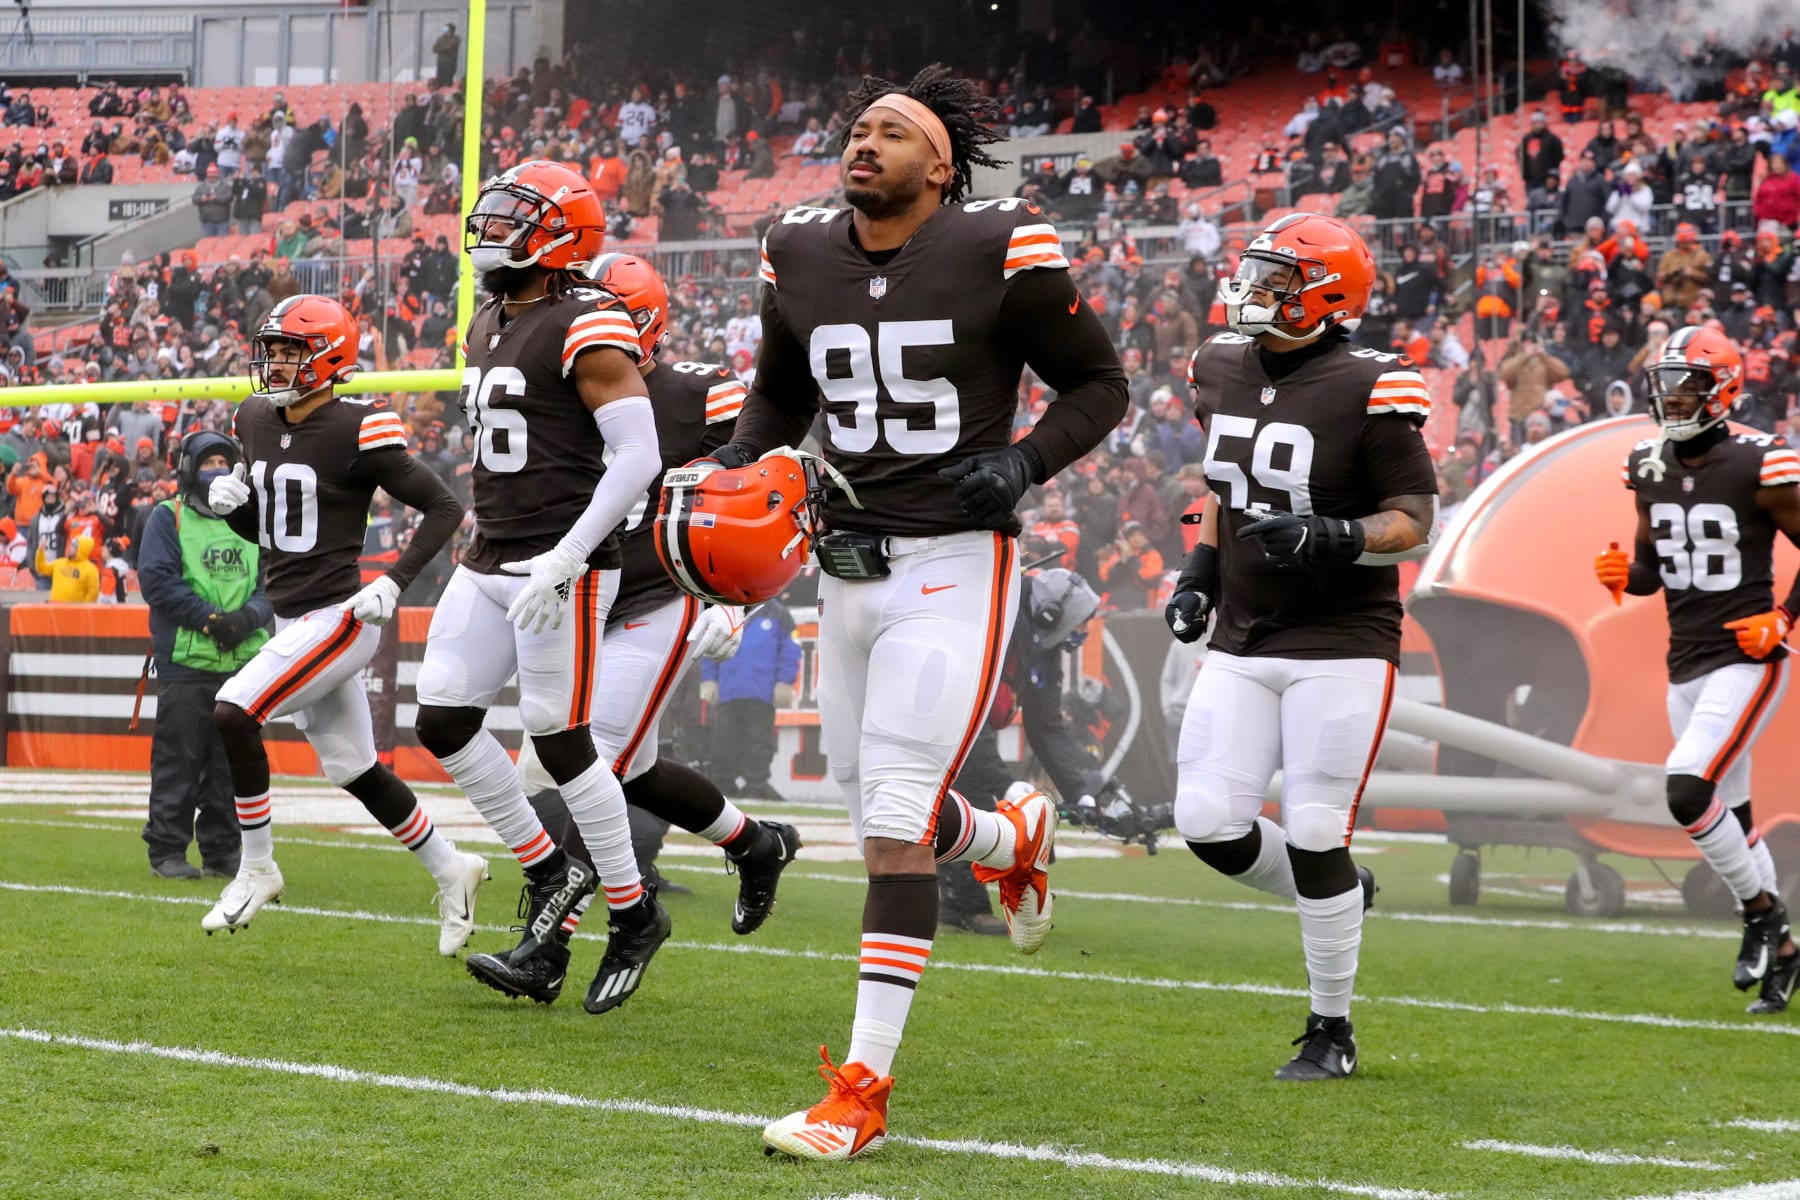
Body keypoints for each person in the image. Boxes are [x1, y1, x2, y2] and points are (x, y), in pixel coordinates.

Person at [678, 63, 1127, 1159]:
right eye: (856, 128)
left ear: (941, 165)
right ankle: (1005, 834)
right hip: (848, 561)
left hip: (957, 561)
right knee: (873, 796)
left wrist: (1022, 466)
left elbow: (1099, 386)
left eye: (891, 132)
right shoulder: (797, 246)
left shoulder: (998, 244)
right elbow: (784, 389)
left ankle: (862, 1093)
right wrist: (740, 462)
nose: (863, 142)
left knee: (887, 822)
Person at [465, 253, 801, 1008]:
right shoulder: (541, 368)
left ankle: (551, 945)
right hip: (573, 600)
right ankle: (756, 843)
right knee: (632, 768)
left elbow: (775, 492)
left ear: (643, 329)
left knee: (583, 763)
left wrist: (739, 600)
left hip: (655, 599)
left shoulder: (696, 394)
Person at [1173, 212, 1435, 1080]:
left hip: (1343, 636)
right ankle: (1341, 897)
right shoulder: (1216, 365)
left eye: (1278, 278)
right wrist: (1199, 575)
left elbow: (1414, 521)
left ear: (1327, 294)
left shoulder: (1374, 382)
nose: (1253, 289)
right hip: (1244, 634)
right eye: (1256, 272)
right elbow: (1222, 486)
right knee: (1208, 822)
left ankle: (1333, 1029)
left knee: (1318, 826)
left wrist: (1334, 536)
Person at [415, 161, 671, 1016]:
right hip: (491, 554)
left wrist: (568, 555)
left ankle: (635, 914)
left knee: (560, 740)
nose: (489, 231)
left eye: (510, 219)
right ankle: (549, 869)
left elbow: (640, 456)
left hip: (560, 562)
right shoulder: (489, 317)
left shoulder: (587, 318)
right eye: (488, 217)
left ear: (559, 234)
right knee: (443, 716)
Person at [200, 294, 482, 952]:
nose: (273, 363)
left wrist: (394, 581)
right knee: (353, 767)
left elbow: (444, 508)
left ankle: (257, 867)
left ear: (329, 355)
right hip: (292, 616)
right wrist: (235, 512)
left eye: (290, 351)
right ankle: (453, 868)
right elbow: (273, 532)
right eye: (269, 350)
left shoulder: (361, 425)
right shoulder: (255, 417)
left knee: (233, 712)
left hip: (341, 617)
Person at [1596, 327, 1800, 1014]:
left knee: (1686, 789)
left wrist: (1786, 616)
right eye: (1666, 383)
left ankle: (1761, 914)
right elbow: (1655, 570)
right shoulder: (1647, 464)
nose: (1673, 396)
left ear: (1724, 388)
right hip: (1683, 660)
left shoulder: (1759, 460)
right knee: (1730, 812)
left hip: (1746, 655)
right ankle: (1788, 952)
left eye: (1688, 383)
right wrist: (1627, 574)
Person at [137, 432, 272, 879]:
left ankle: (222, 849)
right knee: (180, 759)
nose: (216, 468)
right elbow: (157, 582)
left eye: (223, 460)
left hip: (244, 665)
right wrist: (213, 621)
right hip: (187, 661)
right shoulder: (167, 516)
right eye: (208, 461)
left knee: (230, 765)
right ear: (189, 469)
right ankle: (167, 850)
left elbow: (273, 583)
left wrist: (248, 619)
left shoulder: (253, 520)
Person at [701, 599, 801, 801]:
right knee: (723, 740)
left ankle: (756, 786)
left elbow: (790, 651)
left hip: (761, 693)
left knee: (759, 742)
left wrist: (784, 682)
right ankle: (724, 785)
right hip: (728, 690)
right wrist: (709, 680)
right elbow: (710, 648)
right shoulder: (724, 614)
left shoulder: (779, 614)